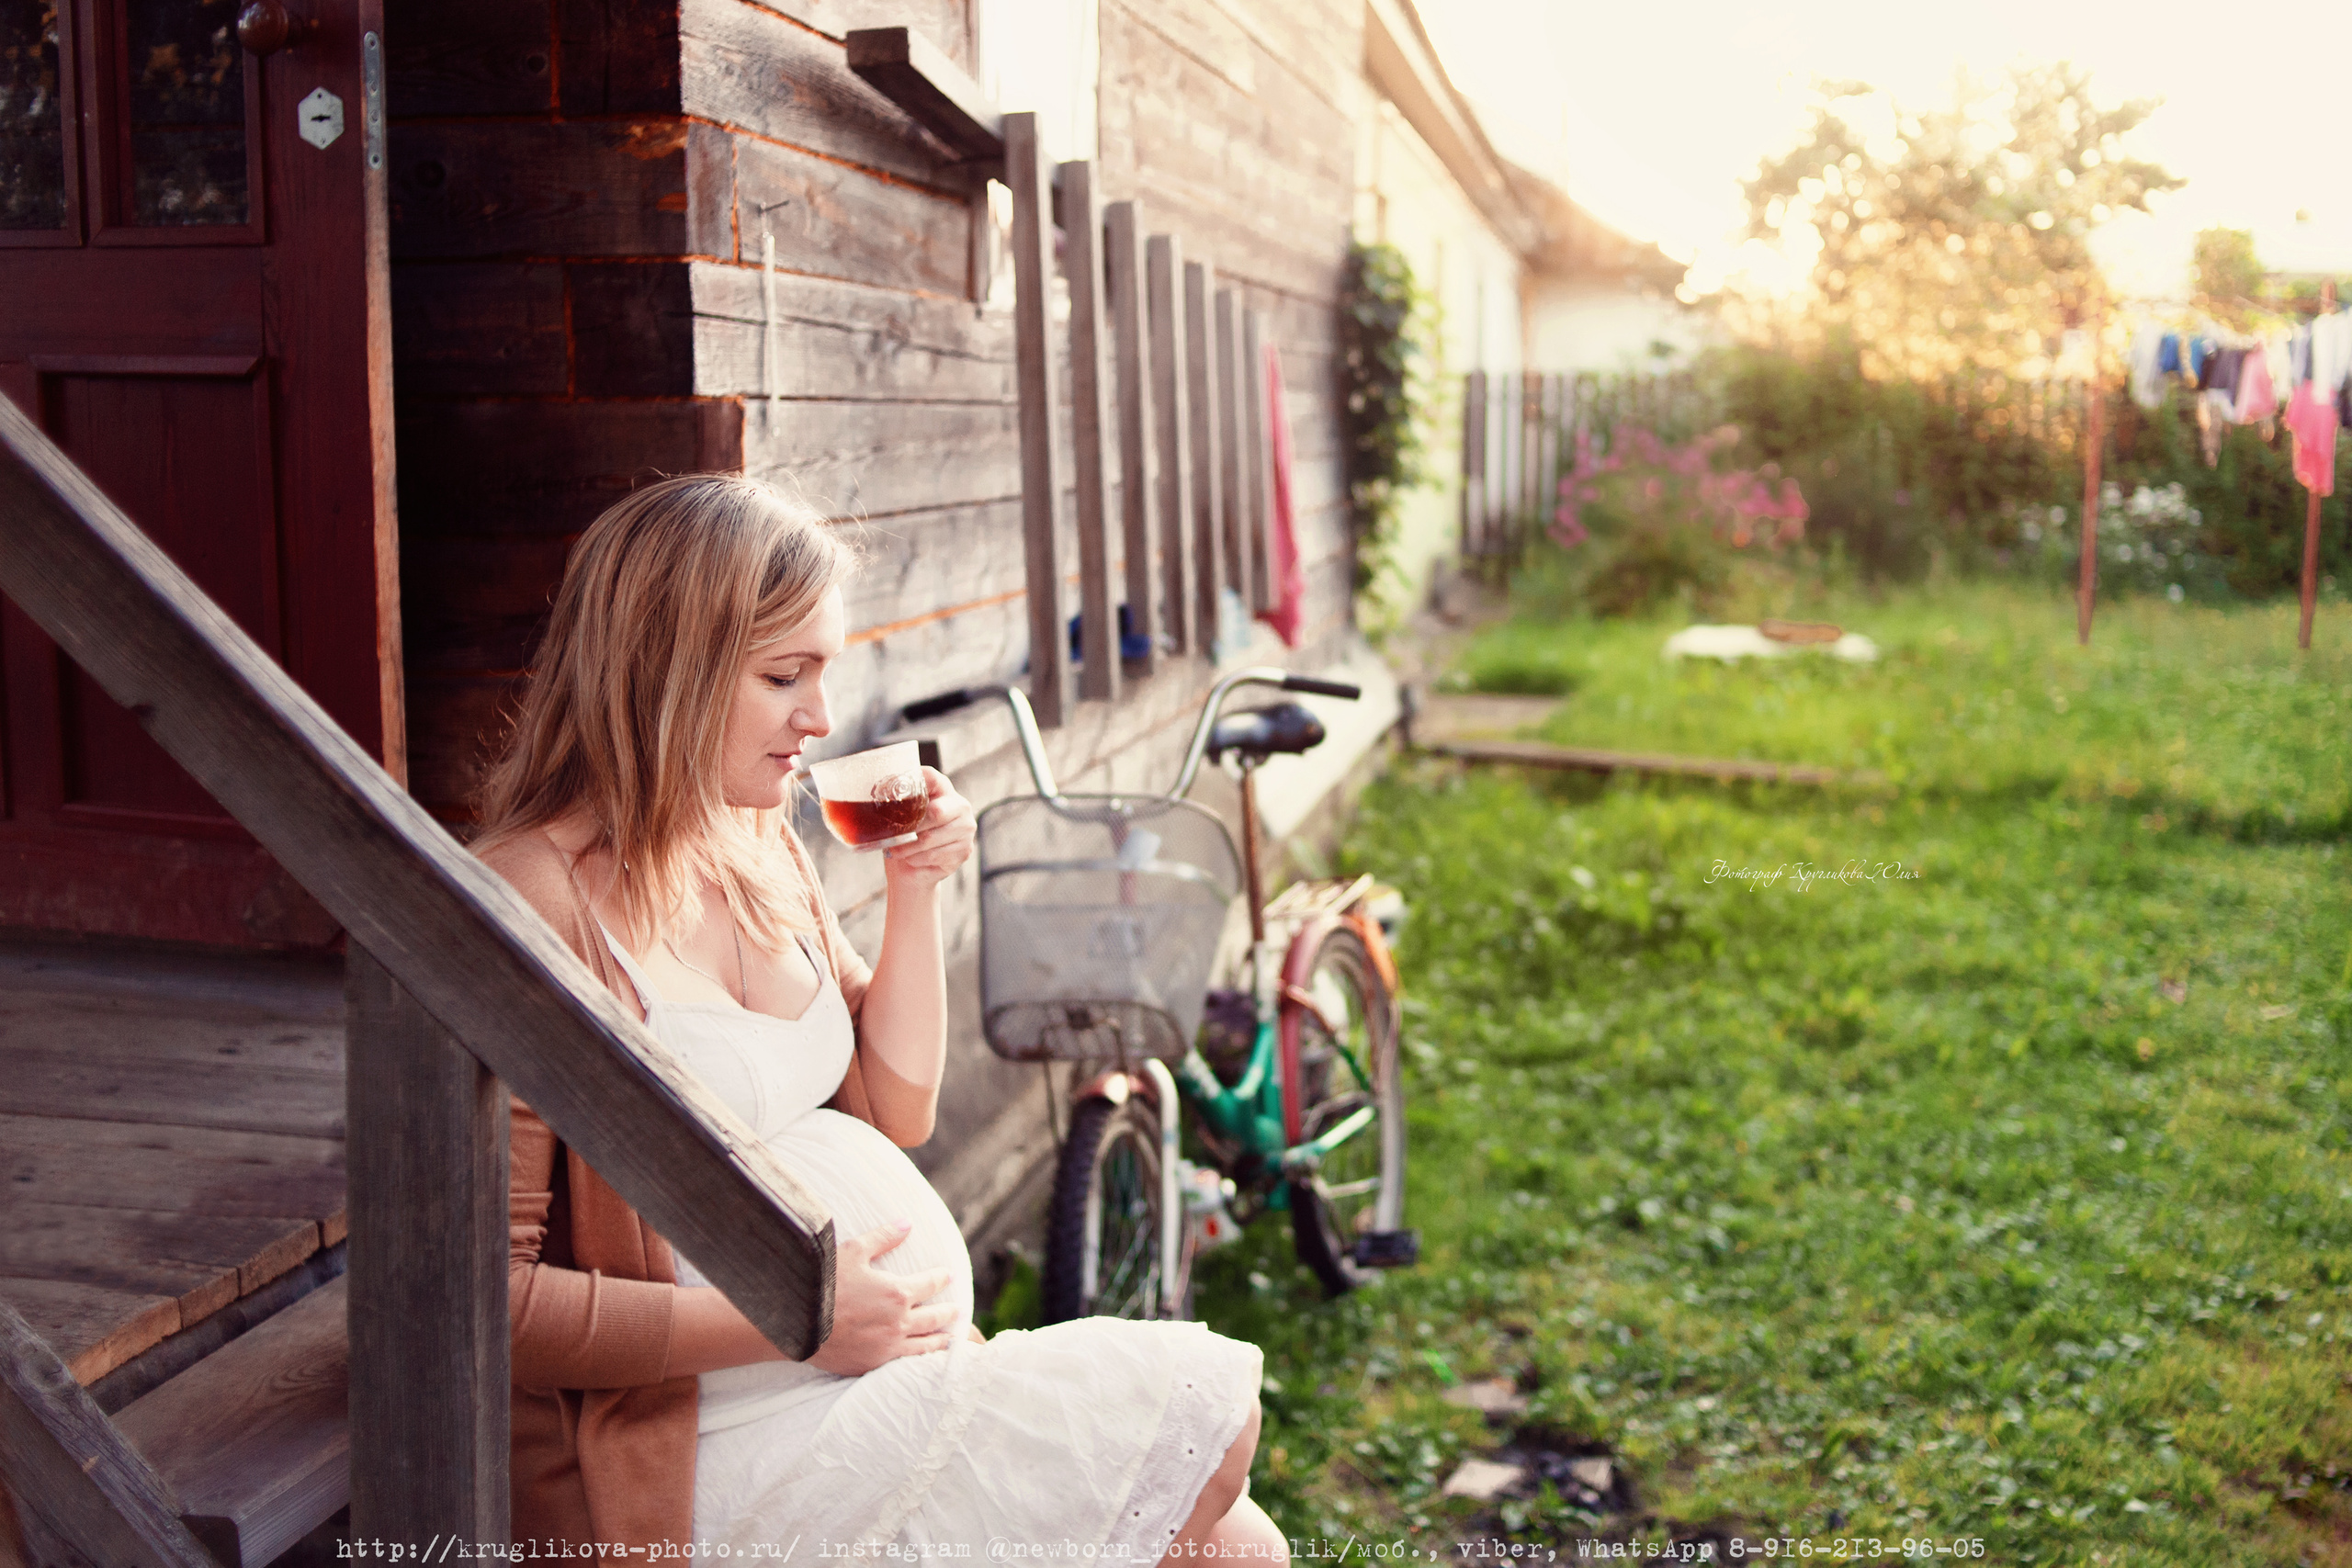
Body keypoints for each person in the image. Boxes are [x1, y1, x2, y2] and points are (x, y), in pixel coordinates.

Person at [469, 474, 1283, 1560]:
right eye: (783, 675)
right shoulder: (525, 901)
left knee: (1241, 1538)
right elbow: (490, 1302)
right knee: (1213, 1459)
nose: (819, 717)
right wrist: (795, 1315)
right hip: (717, 1429)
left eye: (825, 672)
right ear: (665, 666)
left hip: (861, 1374)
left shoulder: (753, 842)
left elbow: (896, 1109)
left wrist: (915, 889)